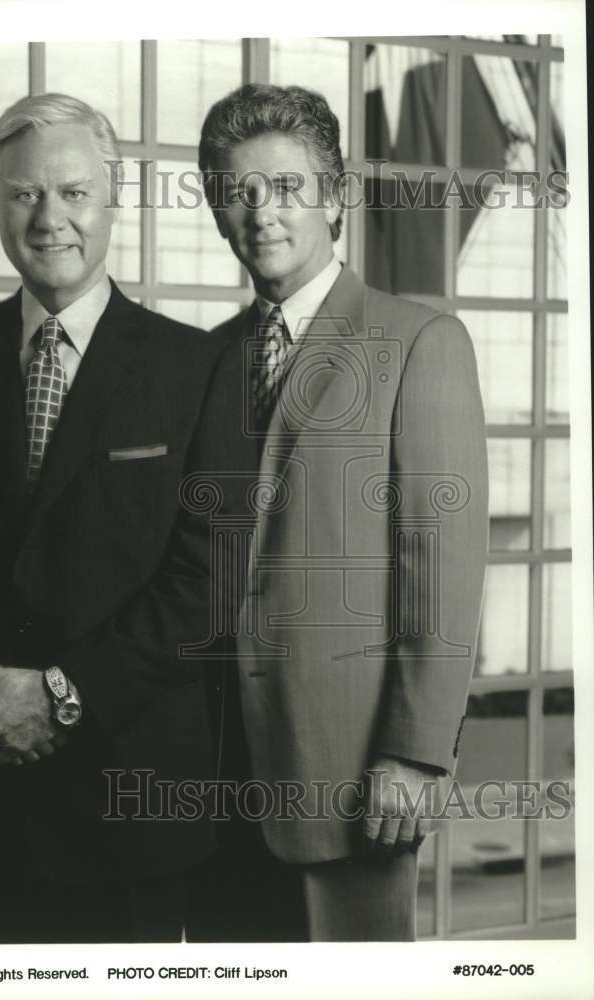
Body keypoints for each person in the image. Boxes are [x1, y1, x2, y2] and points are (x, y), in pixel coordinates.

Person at [0, 93, 251, 944]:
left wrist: (62, 695)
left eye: (73, 193)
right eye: (25, 194)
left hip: (128, 802)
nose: (49, 218)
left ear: (111, 202)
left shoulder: (201, 367)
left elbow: (209, 580)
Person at [187, 83, 489, 942]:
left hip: (353, 768)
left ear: (334, 197)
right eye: (236, 192)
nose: (260, 212)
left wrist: (417, 750)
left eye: (284, 187)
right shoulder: (205, 360)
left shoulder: (418, 342)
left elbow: (443, 564)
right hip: (212, 772)